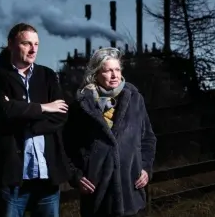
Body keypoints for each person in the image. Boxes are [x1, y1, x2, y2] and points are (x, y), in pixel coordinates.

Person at [0, 23, 70, 217]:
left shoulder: (48, 76)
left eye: (36, 44)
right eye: (26, 43)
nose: (33, 49)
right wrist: (44, 108)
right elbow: (4, 112)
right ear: (11, 44)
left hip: (46, 176)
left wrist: (21, 116)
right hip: (11, 176)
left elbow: (61, 115)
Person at [62, 47, 157, 217]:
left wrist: (145, 167)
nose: (114, 75)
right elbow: (67, 146)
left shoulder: (134, 99)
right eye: (107, 71)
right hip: (98, 193)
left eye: (117, 69)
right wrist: (76, 177)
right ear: (96, 73)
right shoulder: (81, 105)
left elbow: (148, 138)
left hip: (132, 189)